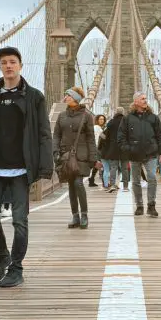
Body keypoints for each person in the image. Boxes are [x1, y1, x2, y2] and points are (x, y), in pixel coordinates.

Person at [0, 46, 53, 288]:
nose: (8, 66)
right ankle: (1, 255)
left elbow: (44, 133)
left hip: (20, 169)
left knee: (20, 220)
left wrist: (45, 168)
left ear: (20, 65)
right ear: (0, 67)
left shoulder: (34, 97)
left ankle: (16, 268)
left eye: (12, 61)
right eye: (4, 62)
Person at [53, 87, 98, 229]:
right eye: (66, 95)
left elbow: (91, 138)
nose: (65, 98)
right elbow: (56, 136)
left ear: (76, 99)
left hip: (82, 156)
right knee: (71, 186)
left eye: (68, 96)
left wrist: (93, 157)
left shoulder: (86, 116)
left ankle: (84, 214)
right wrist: (55, 151)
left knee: (78, 183)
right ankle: (75, 216)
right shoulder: (61, 116)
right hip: (66, 156)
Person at [117, 92, 161, 217]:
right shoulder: (127, 118)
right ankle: (139, 205)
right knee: (135, 181)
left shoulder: (153, 117)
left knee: (152, 178)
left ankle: (151, 205)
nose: (145, 100)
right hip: (134, 154)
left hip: (150, 153)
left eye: (146, 98)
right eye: (142, 99)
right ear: (136, 102)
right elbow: (121, 137)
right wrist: (128, 149)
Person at [101, 107, 127, 193]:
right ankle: (126, 186)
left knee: (113, 167)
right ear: (123, 112)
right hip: (124, 147)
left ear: (115, 112)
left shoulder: (111, 122)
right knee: (124, 168)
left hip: (113, 148)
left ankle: (112, 184)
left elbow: (106, 137)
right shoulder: (127, 121)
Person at [90, 114, 107, 187]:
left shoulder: (96, 127)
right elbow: (104, 137)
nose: (102, 120)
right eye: (100, 119)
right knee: (102, 164)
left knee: (96, 165)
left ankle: (91, 180)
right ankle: (104, 182)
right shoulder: (97, 128)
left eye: (103, 119)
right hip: (97, 148)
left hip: (95, 148)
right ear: (97, 120)